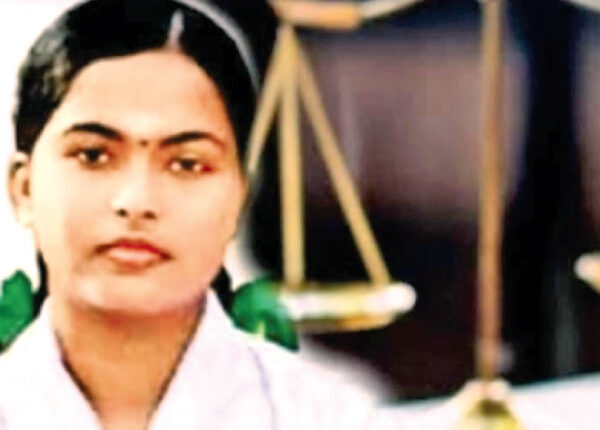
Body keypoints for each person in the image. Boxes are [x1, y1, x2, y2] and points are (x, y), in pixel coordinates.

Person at [0, 0, 399, 429]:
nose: (136, 200)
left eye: (187, 164)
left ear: (238, 201)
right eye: (94, 155)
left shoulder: (333, 416)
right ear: (24, 188)